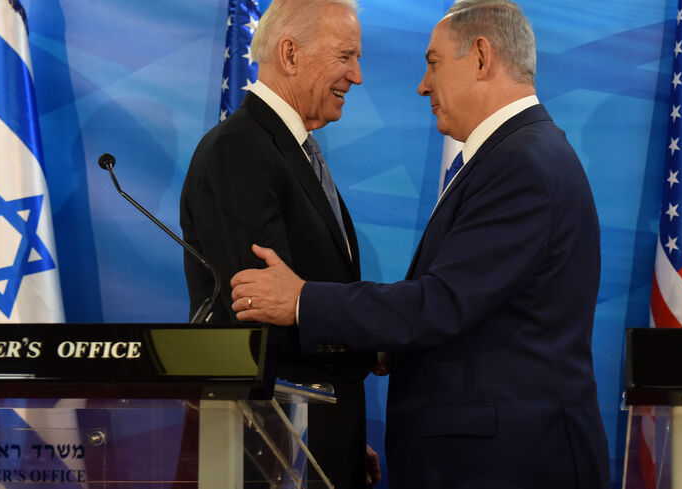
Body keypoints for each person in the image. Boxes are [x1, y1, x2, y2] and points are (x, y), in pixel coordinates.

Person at [228, 0, 610, 488]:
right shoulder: (515, 155)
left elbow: (444, 300)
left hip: (508, 465)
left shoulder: (523, 165)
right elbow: (474, 305)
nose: (422, 85)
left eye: (432, 63)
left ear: (480, 56)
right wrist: (386, 345)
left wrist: (301, 300)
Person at [179, 0, 380, 487]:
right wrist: (372, 344)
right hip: (268, 457)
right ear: (290, 54)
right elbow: (260, 316)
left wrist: (345, 433)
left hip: (307, 440)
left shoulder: (292, 151)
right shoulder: (241, 149)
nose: (356, 75)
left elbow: (302, 295)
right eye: (346, 56)